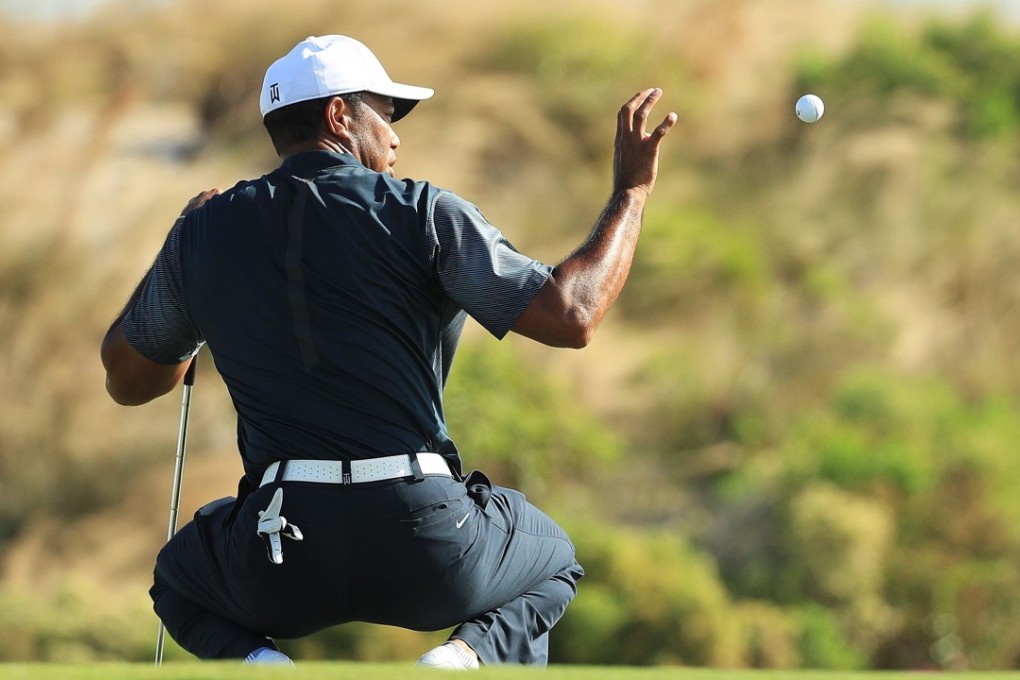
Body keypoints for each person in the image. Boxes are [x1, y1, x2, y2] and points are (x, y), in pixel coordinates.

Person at [100, 34, 675, 669]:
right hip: (425, 540)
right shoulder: (425, 213)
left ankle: (262, 667)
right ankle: (462, 661)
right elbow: (572, 314)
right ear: (338, 116)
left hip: (280, 549)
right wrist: (631, 193)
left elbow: (129, 380)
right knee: (553, 559)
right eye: (386, 114)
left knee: (179, 580)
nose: (396, 137)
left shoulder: (206, 231)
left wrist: (184, 241)